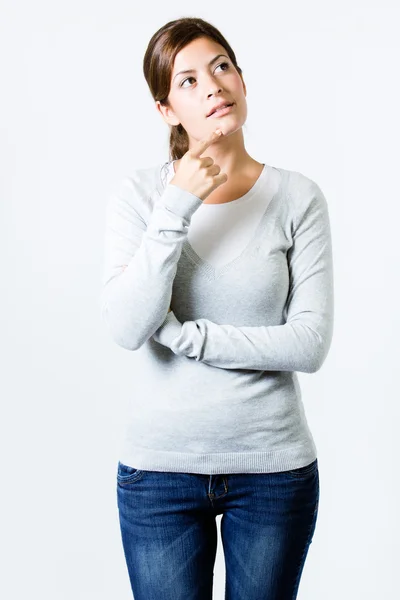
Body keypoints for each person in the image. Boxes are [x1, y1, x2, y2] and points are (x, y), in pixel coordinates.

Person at [100, 16, 334, 600]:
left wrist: (186, 337)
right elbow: (128, 327)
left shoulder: (298, 198)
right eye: (188, 80)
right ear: (166, 111)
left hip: (273, 472)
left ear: (243, 81)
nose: (212, 86)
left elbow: (309, 343)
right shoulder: (140, 197)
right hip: (159, 475)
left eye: (221, 66)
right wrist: (177, 205)